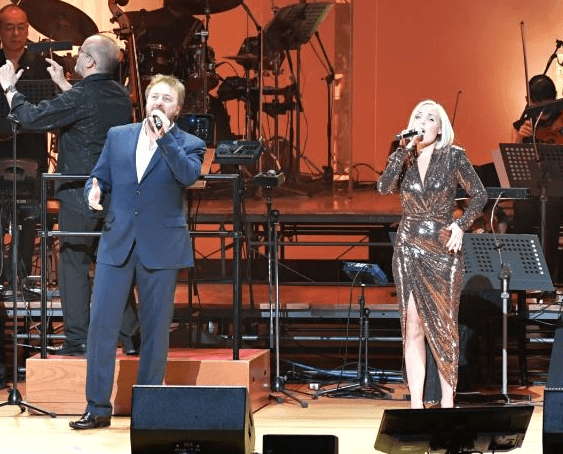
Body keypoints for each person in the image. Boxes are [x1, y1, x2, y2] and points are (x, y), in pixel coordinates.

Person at [68, 74, 205, 429]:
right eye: (154, 97)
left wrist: (165, 140)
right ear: (144, 102)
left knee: (156, 330)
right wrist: (94, 189)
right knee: (101, 327)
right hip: (117, 242)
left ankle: (147, 409)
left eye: (166, 99)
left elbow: (188, 176)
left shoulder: (190, 143)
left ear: (177, 109)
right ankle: (97, 408)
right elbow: (99, 176)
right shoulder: (119, 135)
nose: (158, 103)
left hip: (161, 246)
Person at [0, 33, 139, 357]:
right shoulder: (120, 95)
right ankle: (133, 337)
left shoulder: (81, 96)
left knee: (73, 261)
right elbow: (88, 111)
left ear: (89, 61)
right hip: (115, 193)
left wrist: (9, 88)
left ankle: (77, 340)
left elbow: (31, 117)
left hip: (81, 192)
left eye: (81, 53)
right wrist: (64, 84)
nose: (75, 57)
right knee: (112, 265)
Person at [378, 99, 487, 408]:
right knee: (412, 327)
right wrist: (401, 151)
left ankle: (448, 404)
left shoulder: (454, 156)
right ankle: (416, 405)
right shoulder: (405, 157)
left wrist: (461, 225)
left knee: (443, 327)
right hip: (407, 247)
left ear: (440, 129)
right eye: (418, 117)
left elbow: (480, 194)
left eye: (430, 118)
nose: (422, 122)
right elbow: (384, 187)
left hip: (442, 247)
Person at [0, 4, 51, 290]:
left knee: (29, 216)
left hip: (31, 151)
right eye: (9, 28)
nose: (16, 33)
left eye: (21, 27)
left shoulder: (41, 64)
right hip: (0, 151)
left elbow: (50, 108)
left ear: (28, 29)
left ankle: (20, 277)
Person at [510, 74, 563, 282]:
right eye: (537, 105)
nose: (544, 112)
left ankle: (547, 280)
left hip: (558, 189)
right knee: (522, 212)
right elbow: (511, 160)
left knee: (551, 210)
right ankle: (519, 276)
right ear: (528, 101)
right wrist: (519, 138)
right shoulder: (522, 124)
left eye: (547, 106)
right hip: (531, 188)